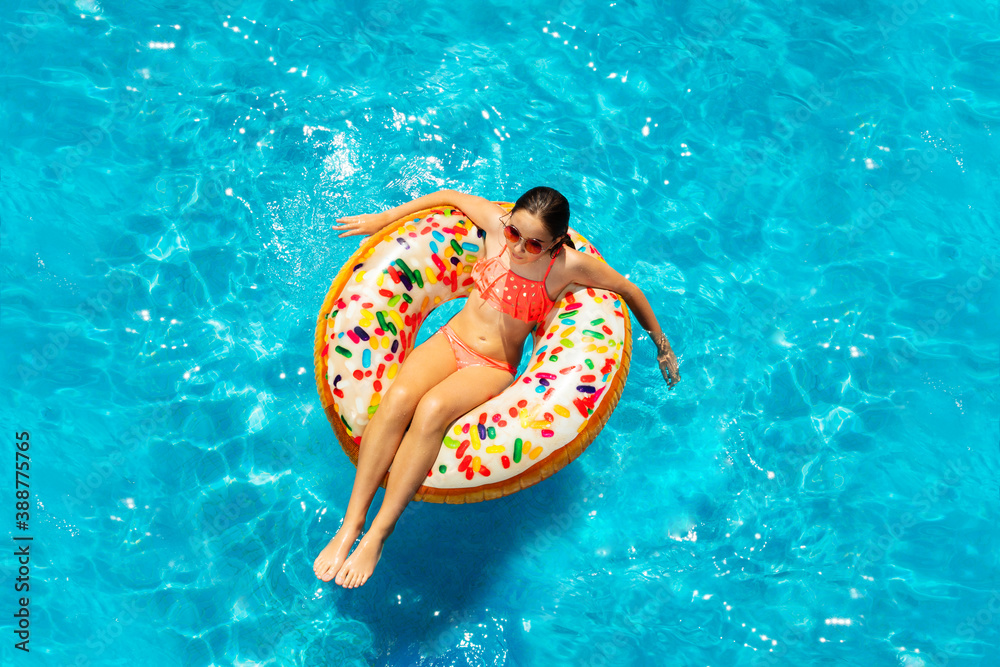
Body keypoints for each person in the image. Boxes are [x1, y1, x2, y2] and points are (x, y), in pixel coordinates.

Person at [313, 187, 680, 588]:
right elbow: (448, 196)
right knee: (398, 397)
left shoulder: (567, 267)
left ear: (556, 241)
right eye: (514, 235)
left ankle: (379, 534)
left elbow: (629, 290)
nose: (520, 248)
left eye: (534, 243)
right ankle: (351, 525)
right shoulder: (493, 224)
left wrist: (662, 346)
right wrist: (384, 219)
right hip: (451, 341)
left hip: (492, 364)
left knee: (433, 409)